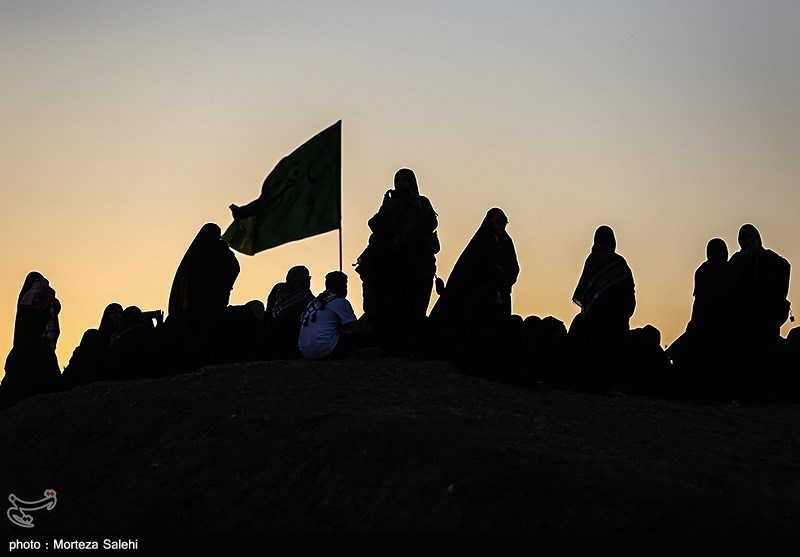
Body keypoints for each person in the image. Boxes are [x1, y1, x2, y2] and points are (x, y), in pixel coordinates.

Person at [356, 168, 439, 354]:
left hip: (414, 262)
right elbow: (376, 226)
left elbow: (429, 225)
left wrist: (415, 208)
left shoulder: (422, 202)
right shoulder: (389, 203)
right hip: (390, 262)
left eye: (405, 180)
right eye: (398, 180)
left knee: (412, 304)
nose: (401, 183)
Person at [430, 208, 519, 327]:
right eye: (498, 223)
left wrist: (505, 275)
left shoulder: (507, 242)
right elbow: (470, 267)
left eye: (504, 223)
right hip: (479, 293)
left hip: (501, 292)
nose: (501, 226)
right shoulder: (481, 241)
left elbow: (514, 266)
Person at [0, 272, 63, 409]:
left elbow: (53, 311)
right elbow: (31, 317)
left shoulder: (46, 297)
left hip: (44, 350)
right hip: (28, 351)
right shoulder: (29, 300)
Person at [729, 224, 791, 345]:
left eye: (750, 238)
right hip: (744, 315)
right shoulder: (737, 259)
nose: (748, 241)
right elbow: (728, 279)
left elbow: (785, 267)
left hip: (767, 314)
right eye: (744, 238)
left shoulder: (770, 257)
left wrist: (765, 258)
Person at [298, 271, 369, 360]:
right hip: (324, 349)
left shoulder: (314, 302)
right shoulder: (339, 301)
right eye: (346, 286)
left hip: (305, 351)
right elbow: (357, 330)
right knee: (364, 339)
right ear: (343, 287)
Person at [62, 302, 123, 388]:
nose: (118, 316)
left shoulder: (121, 336)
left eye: (120, 313)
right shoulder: (95, 336)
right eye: (114, 313)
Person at [262, 265, 314, 359]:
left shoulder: (278, 288)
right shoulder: (304, 294)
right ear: (303, 280)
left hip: (268, 340)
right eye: (308, 278)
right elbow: (317, 307)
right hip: (288, 345)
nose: (310, 280)